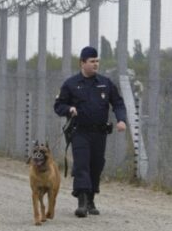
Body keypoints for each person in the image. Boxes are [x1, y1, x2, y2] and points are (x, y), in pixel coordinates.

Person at [53, 46, 127, 217]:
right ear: (82, 63)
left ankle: (91, 198)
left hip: (99, 133)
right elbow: (58, 105)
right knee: (81, 164)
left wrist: (121, 120)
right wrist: (69, 109)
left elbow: (117, 103)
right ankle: (82, 202)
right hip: (79, 132)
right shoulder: (71, 84)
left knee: (96, 166)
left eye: (97, 61)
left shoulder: (105, 83)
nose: (96, 64)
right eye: (92, 61)